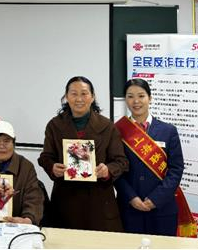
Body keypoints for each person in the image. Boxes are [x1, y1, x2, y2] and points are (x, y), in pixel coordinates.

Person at [38, 76, 128, 232]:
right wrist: (52, 167)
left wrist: (107, 170)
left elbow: (121, 161)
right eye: (74, 94)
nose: (79, 99)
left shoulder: (107, 126)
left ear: (92, 97)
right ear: (66, 97)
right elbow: (46, 157)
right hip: (65, 199)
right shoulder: (54, 125)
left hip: (98, 200)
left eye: (84, 93)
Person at [114, 78, 185, 236]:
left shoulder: (168, 131)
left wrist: (155, 199)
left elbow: (176, 169)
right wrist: (131, 197)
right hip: (129, 208)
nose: (136, 101)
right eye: (130, 96)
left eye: (141, 96)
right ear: (125, 100)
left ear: (150, 98)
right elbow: (116, 169)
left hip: (162, 208)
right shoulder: (117, 131)